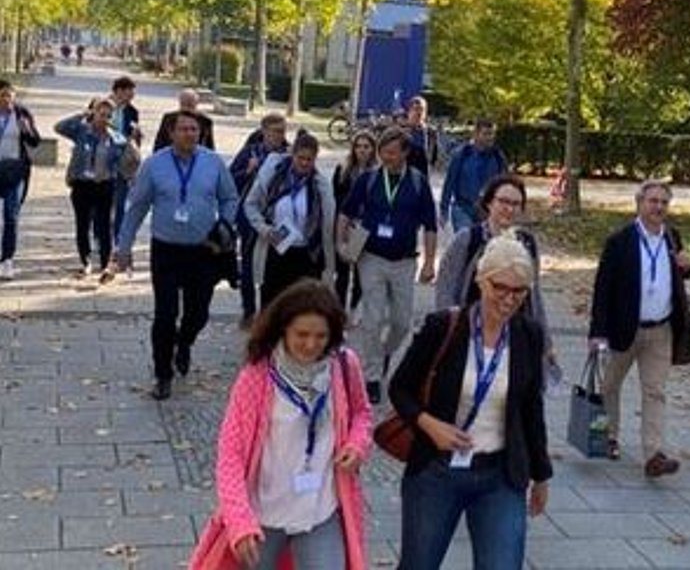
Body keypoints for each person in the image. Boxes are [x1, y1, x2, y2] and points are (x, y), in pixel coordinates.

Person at [389, 234, 552, 570]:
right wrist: (430, 425)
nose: (509, 300)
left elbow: (531, 409)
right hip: (436, 472)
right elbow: (400, 389)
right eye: (500, 288)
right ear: (481, 281)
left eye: (519, 291)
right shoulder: (444, 326)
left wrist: (541, 475)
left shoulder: (527, 335)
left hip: (500, 475)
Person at [190, 279, 372, 570]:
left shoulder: (344, 365)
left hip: (320, 512)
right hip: (264, 516)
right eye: (302, 334)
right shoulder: (257, 376)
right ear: (283, 329)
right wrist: (239, 522)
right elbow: (230, 454)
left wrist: (356, 444)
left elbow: (362, 413)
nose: (311, 344)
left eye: (321, 336)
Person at [115, 110, 238, 400]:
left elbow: (230, 197)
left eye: (194, 129)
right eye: (183, 129)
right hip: (166, 250)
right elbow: (137, 207)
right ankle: (162, 375)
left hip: (203, 251)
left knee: (198, 313)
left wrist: (225, 224)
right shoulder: (154, 165)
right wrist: (124, 247)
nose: (189, 134)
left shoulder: (212, 163)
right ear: (171, 133)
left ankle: (184, 343)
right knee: (165, 314)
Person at [588, 179, 690, 477]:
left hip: (661, 329)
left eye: (664, 202)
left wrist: (687, 267)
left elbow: (678, 274)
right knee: (609, 386)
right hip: (624, 327)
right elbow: (603, 289)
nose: (658, 207)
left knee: (655, 391)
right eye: (653, 201)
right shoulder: (619, 241)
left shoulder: (673, 237)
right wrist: (597, 332)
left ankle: (653, 454)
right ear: (639, 203)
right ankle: (609, 438)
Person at [337, 126, 438, 404]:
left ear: (405, 153)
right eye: (383, 151)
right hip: (371, 257)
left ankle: (382, 354)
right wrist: (342, 244)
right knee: (372, 317)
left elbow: (430, 225)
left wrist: (430, 262)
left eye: (392, 152)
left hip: (404, 261)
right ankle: (371, 377)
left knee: (401, 322)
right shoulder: (368, 179)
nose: (386, 157)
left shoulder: (417, 183)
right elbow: (346, 212)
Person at [435, 174, 558, 385]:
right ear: (489, 203)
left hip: (515, 334)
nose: (509, 209)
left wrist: (546, 342)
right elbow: (445, 289)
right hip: (471, 332)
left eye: (516, 204)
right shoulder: (467, 240)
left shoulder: (528, 243)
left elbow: (534, 295)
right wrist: (448, 332)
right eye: (503, 202)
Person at [244, 132, 336, 310]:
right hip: (276, 249)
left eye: (309, 159)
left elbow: (327, 224)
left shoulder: (319, 186)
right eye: (300, 158)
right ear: (292, 154)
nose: (304, 163)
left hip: (307, 255)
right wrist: (264, 229)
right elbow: (251, 206)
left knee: (302, 311)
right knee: (271, 308)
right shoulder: (273, 177)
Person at [55, 99, 128, 278]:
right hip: (82, 185)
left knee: (104, 226)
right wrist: (81, 115)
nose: (104, 119)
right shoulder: (81, 131)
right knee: (83, 224)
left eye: (108, 116)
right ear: (93, 113)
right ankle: (85, 260)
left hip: (104, 185)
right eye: (101, 114)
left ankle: (104, 264)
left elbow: (128, 161)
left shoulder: (115, 137)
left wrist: (133, 143)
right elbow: (59, 127)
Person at [229, 113, 289, 326]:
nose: (280, 136)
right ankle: (248, 310)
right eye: (275, 131)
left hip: (276, 219)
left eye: (283, 131)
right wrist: (248, 170)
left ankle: (268, 311)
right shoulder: (250, 152)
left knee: (271, 265)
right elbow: (230, 180)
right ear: (264, 131)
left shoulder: (288, 155)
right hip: (249, 216)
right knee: (247, 263)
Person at [332, 130, 377, 314]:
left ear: (373, 149)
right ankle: (338, 309)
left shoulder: (377, 174)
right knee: (342, 271)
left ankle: (354, 309)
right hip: (345, 224)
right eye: (358, 146)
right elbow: (335, 198)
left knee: (360, 273)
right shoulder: (343, 170)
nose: (362, 151)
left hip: (365, 228)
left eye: (366, 147)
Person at [0, 80, 40, 280]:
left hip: (14, 171)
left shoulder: (21, 114)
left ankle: (7, 259)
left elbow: (35, 141)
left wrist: (26, 129)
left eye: (10, 95)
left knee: (11, 215)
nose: (7, 100)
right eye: (3, 95)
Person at [439, 119, 507, 232]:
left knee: (485, 246)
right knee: (467, 240)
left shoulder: (498, 157)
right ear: (476, 134)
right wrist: (443, 210)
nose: (489, 138)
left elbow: (504, 184)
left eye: (492, 134)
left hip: (486, 211)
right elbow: (449, 182)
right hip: (463, 208)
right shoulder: (462, 155)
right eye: (486, 134)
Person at [110, 76, 141, 251]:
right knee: (103, 204)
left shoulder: (133, 112)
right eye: (129, 93)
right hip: (103, 160)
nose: (132, 97)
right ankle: (100, 236)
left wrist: (136, 138)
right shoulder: (102, 106)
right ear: (119, 91)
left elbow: (133, 137)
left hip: (124, 163)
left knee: (121, 203)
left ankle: (117, 240)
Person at [404, 95, 438, 177]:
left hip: (423, 173)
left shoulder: (431, 132)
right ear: (409, 111)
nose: (419, 113)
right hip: (405, 172)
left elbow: (433, 154)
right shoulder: (401, 131)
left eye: (422, 109)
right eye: (416, 109)